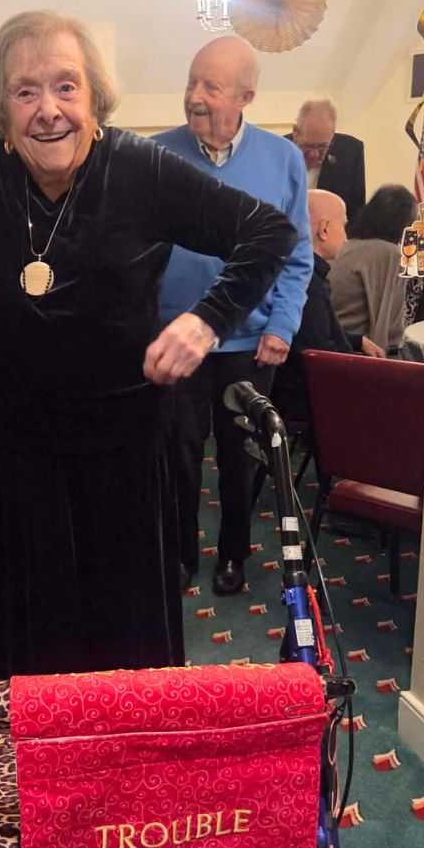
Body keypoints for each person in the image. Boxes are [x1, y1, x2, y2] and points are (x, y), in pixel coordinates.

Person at [0, 0, 296, 679]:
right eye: (24, 92)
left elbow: (269, 230)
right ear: (1, 110)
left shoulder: (143, 169)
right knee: (19, 652)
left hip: (126, 452)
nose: (48, 109)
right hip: (17, 451)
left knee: (122, 652)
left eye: (65, 86)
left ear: (93, 97)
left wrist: (208, 318)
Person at [153, 37, 312, 597]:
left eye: (211, 87)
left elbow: (298, 256)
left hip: (249, 343)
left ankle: (234, 557)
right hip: (176, 340)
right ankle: (178, 556)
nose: (195, 97)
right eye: (191, 83)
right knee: (177, 457)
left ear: (245, 96)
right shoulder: (157, 155)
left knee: (241, 462)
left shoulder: (283, 159)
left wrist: (281, 326)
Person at [272, 191, 357, 427]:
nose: (346, 236)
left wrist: (357, 341)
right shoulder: (305, 282)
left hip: (292, 386)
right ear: (324, 229)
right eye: (344, 225)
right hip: (313, 394)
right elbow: (317, 353)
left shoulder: (290, 269)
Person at [330, 184, 420, 358]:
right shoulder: (389, 254)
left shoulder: (347, 246)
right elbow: (382, 322)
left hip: (335, 343)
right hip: (358, 353)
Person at [289, 98, 367, 223]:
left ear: (332, 136)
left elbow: (356, 212)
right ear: (295, 132)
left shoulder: (350, 153)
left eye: (322, 147)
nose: (314, 154)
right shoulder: (277, 152)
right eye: (308, 146)